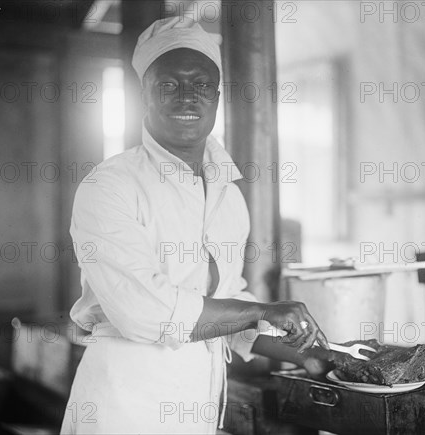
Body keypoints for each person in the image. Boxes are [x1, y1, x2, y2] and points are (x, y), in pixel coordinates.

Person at [60, 17, 329, 435]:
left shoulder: (227, 193)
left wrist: (305, 355)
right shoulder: (110, 185)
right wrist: (263, 310)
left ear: (217, 97)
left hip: (199, 406)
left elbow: (225, 302)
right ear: (143, 94)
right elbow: (146, 312)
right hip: (125, 408)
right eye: (168, 84)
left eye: (202, 85)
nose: (187, 97)